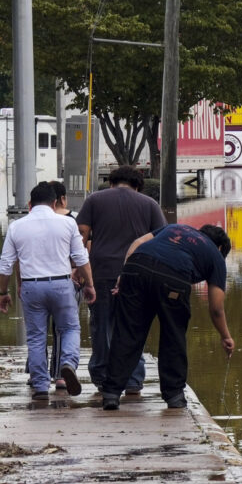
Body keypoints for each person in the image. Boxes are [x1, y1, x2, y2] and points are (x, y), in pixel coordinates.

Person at [100, 222, 235, 411]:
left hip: (136, 267)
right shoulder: (216, 256)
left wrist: (124, 272)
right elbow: (216, 308)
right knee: (173, 336)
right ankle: (174, 396)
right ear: (220, 248)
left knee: (127, 331)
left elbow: (139, 241)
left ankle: (111, 393)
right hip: (173, 277)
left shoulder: (174, 228)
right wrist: (225, 336)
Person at [0, 180, 95, 400]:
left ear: (30, 204)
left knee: (36, 337)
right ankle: (67, 363)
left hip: (31, 286)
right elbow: (80, 258)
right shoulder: (67, 223)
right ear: (54, 203)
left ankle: (40, 386)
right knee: (69, 328)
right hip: (61, 283)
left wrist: (3, 293)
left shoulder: (16, 226)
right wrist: (89, 284)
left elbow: (5, 264)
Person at [75, 165, 165, 394]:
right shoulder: (149, 204)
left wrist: (76, 267)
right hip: (137, 274)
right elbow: (162, 239)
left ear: (112, 182)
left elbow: (81, 234)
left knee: (102, 326)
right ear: (138, 185)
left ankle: (103, 378)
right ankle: (133, 380)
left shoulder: (94, 200)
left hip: (101, 272)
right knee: (133, 326)